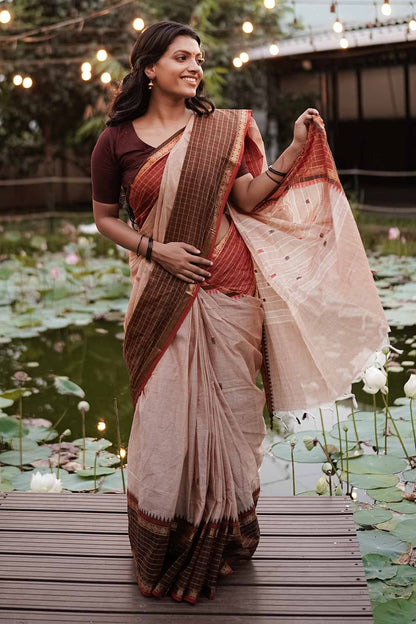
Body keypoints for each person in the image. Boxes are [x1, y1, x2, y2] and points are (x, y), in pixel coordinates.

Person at [91, 21, 389, 604]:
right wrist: (158, 250)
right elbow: (106, 218)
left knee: (228, 415)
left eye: (198, 58)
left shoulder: (224, 129)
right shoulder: (116, 140)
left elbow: (248, 198)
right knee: (164, 417)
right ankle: (169, 540)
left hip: (228, 287)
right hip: (160, 290)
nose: (194, 67)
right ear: (149, 68)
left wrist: (296, 150)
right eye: (181, 57)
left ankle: (222, 536)